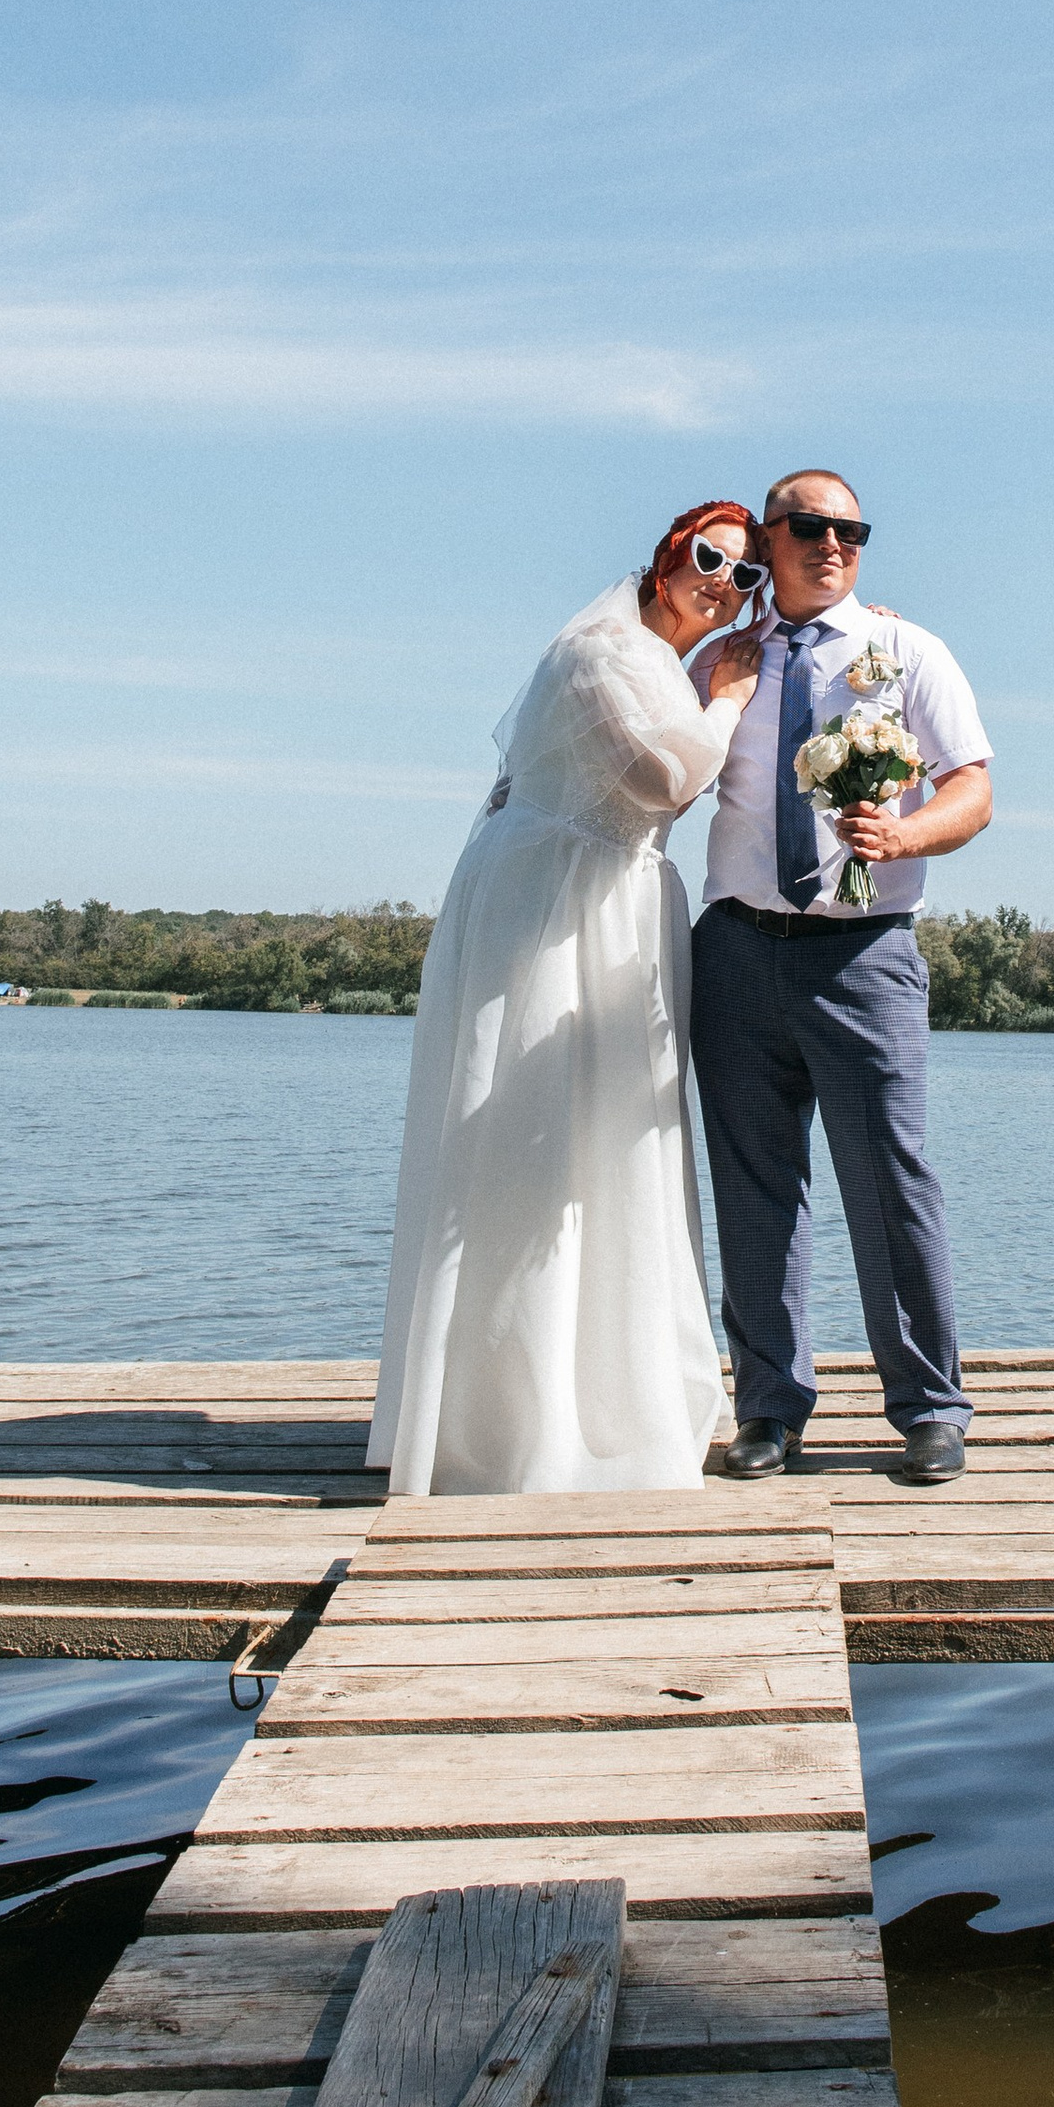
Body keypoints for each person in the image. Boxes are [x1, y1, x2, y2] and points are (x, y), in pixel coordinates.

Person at [366, 505, 768, 1496]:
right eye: (708, 556)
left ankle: (615, 1398)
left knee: (607, 1148)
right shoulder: (602, 651)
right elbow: (665, 777)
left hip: (613, 907)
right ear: (666, 556)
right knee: (530, 1145)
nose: (724, 580)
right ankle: (512, 1423)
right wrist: (728, 697)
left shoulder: (654, 660)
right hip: (551, 913)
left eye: (744, 574)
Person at [689, 468, 993, 1485]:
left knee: (890, 1181)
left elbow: (975, 788)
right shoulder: (729, 659)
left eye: (852, 530)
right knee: (753, 1189)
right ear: (767, 542)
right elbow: (660, 758)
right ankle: (769, 1409)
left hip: (862, 953)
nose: (834, 543)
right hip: (733, 950)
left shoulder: (906, 651)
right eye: (811, 527)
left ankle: (928, 1407)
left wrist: (903, 830)